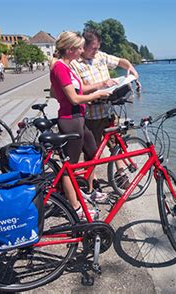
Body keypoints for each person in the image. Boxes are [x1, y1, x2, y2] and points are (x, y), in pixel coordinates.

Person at [50, 31, 111, 218]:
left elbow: (77, 89)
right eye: (79, 47)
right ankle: (75, 208)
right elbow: (74, 98)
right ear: (70, 50)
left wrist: (101, 85)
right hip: (70, 120)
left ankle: (88, 190)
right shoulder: (60, 67)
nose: (82, 50)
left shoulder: (67, 67)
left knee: (93, 153)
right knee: (70, 167)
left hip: (79, 118)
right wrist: (97, 96)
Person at [70, 29, 141, 147]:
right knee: (93, 151)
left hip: (109, 111)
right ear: (83, 46)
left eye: (98, 47)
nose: (96, 51)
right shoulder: (75, 64)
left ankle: (121, 166)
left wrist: (130, 68)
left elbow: (120, 61)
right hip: (92, 115)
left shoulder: (100, 56)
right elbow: (79, 89)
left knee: (117, 145)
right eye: (93, 48)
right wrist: (101, 85)